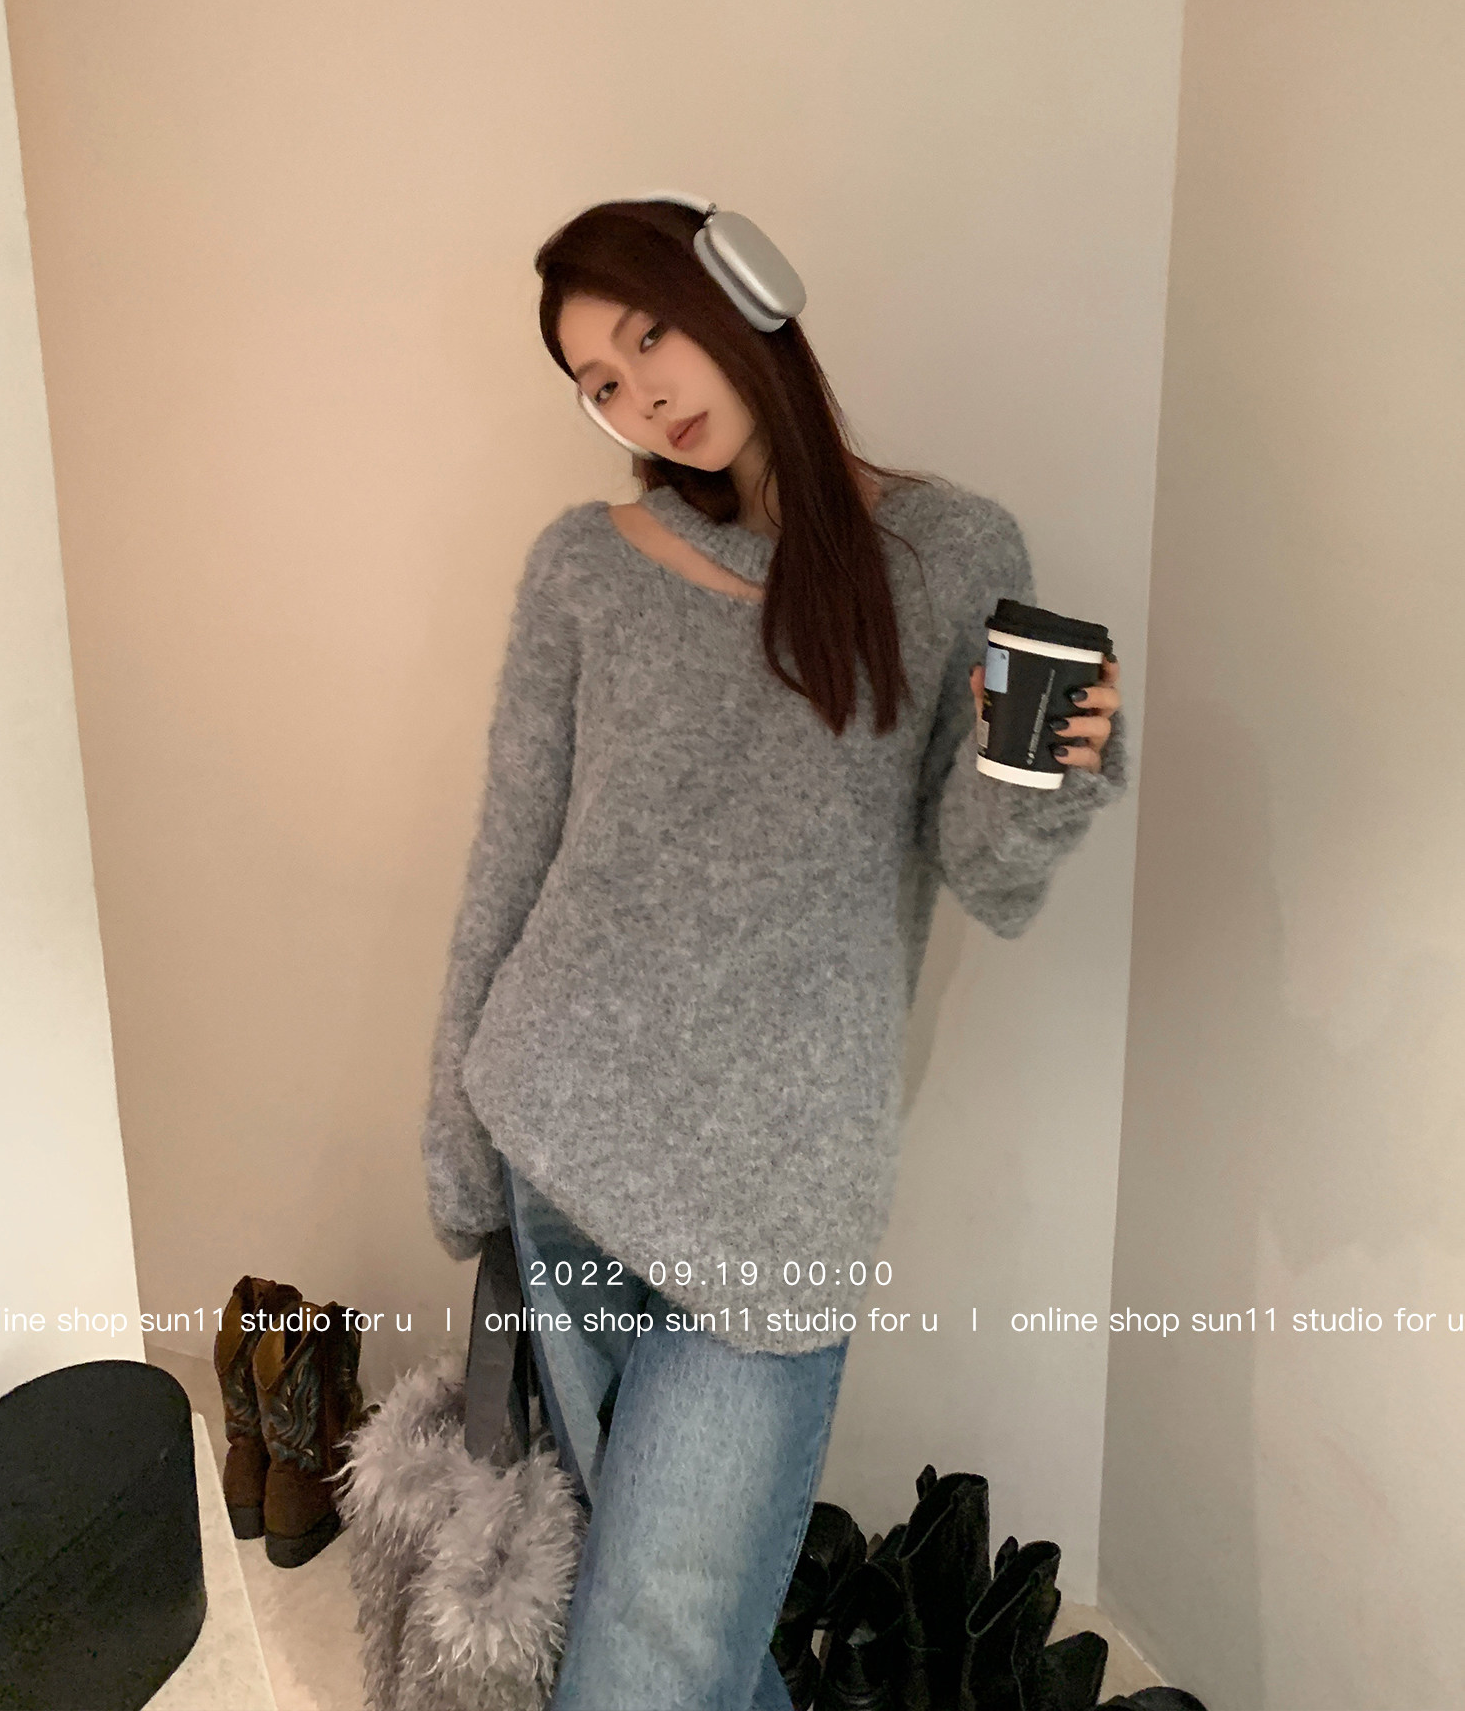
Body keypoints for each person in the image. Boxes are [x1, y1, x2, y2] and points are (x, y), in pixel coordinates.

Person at [421, 197, 1128, 1710]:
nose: (642, 392)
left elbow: (987, 877)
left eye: (650, 335)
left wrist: (1046, 773)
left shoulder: (949, 552)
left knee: (650, 1656)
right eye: (601, 381)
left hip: (774, 1196)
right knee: (660, 1624)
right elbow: (510, 861)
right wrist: (457, 1149)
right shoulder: (584, 565)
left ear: (746, 289)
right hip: (561, 1137)